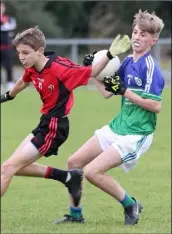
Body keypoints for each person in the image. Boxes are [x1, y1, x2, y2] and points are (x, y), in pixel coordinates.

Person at [0, 26, 131, 214]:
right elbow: (23, 81)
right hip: (44, 123)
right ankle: (68, 178)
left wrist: (110, 54)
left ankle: (68, 178)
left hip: (55, 127)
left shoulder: (60, 69)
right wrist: (7, 97)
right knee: (13, 167)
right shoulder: (32, 67)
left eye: (25, 53)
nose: (21, 57)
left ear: (39, 51)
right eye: (19, 52)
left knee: (7, 168)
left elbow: (92, 71)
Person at [55, 9, 165, 225]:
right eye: (135, 32)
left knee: (92, 172)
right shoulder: (126, 64)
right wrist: (92, 71)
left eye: (143, 34)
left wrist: (125, 91)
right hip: (118, 127)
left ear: (153, 40)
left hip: (137, 133)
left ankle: (129, 203)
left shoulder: (150, 67)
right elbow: (107, 92)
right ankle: (75, 215)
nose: (137, 37)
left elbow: (156, 106)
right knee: (74, 162)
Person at [0, 1, 17, 90]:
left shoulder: (9, 19)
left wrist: (3, 22)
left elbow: (10, 27)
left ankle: (10, 83)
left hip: (7, 48)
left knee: (9, 66)